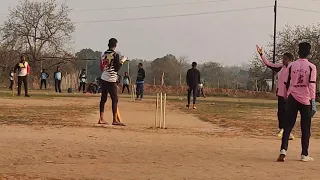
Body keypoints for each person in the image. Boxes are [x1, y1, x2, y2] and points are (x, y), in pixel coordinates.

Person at [277, 42, 317, 162]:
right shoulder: (311, 67)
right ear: (309, 53)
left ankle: (283, 150)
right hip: (305, 99)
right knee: (305, 128)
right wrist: (313, 101)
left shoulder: (291, 66)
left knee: (288, 125)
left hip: (292, 98)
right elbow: (311, 85)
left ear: (298, 52)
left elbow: (286, 83)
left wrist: (285, 97)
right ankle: (304, 154)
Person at [256, 45, 295, 140]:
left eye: (285, 59)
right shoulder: (281, 67)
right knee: (280, 112)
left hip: (290, 95)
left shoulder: (294, 68)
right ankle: (282, 129)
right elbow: (269, 64)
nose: (283, 60)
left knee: (288, 113)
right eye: (283, 58)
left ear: (290, 60)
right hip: (281, 94)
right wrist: (261, 55)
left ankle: (287, 131)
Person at [98, 38, 127, 126]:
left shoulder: (103, 54)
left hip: (104, 78)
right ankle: (114, 120)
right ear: (115, 45)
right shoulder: (115, 55)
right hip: (111, 79)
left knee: (103, 99)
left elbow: (101, 67)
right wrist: (123, 61)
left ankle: (101, 118)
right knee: (115, 99)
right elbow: (117, 68)